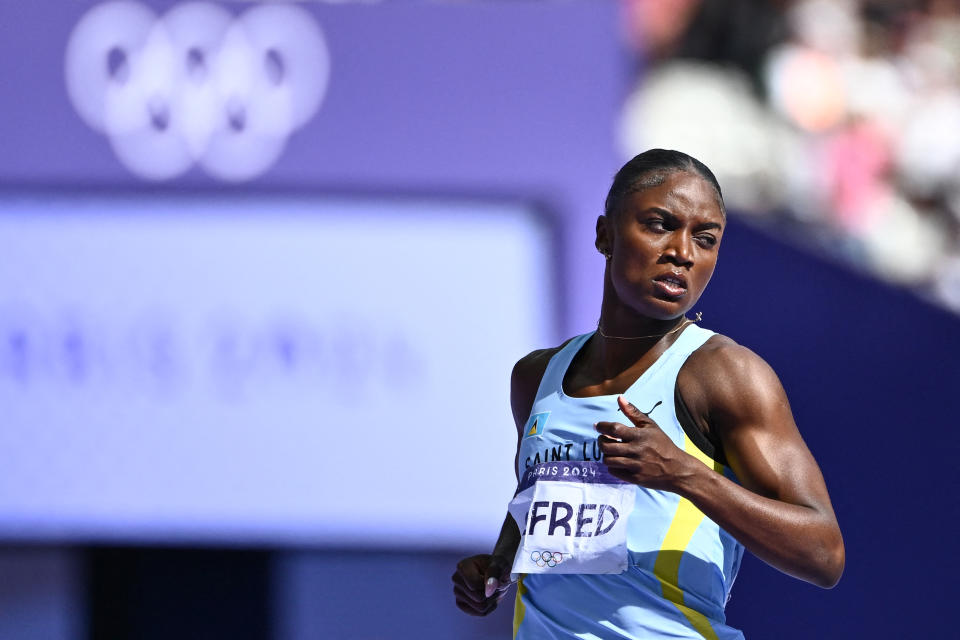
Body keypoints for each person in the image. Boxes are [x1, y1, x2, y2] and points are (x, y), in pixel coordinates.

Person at [451, 149, 844, 639]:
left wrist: (686, 475)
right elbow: (546, 497)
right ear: (605, 235)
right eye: (660, 225)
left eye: (705, 239)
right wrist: (500, 564)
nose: (682, 251)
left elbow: (824, 554)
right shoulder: (536, 377)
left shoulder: (724, 374)